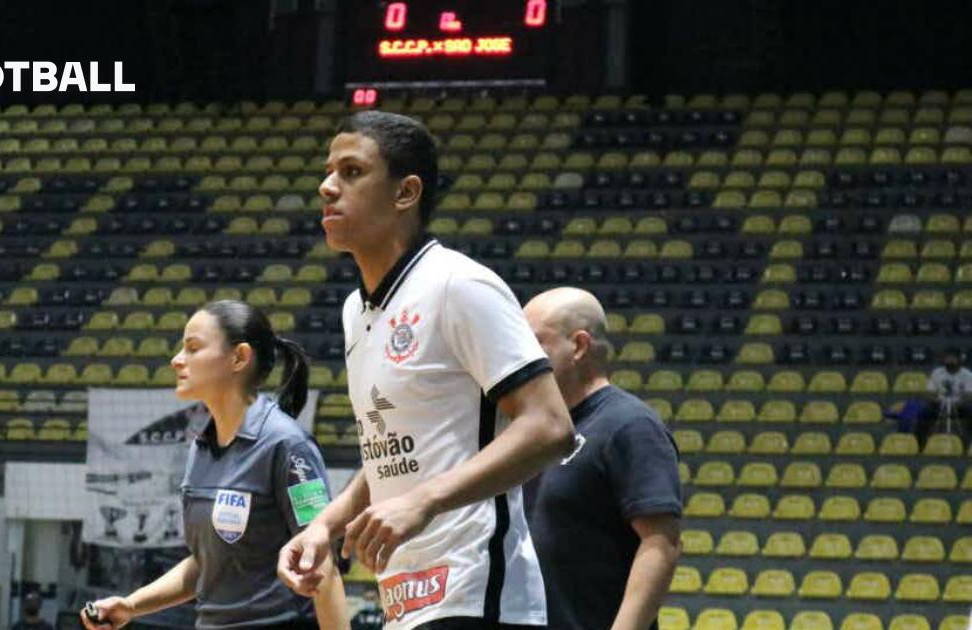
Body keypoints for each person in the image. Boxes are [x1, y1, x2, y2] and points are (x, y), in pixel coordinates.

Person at [278, 110, 576, 630]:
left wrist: (424, 500)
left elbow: (550, 426)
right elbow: (395, 453)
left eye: (351, 172)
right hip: (405, 596)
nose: (327, 187)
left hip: (476, 592)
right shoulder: (355, 311)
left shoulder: (458, 285)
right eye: (328, 172)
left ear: (405, 193)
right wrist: (326, 524)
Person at [82, 300, 348, 630]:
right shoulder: (200, 449)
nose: (177, 360)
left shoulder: (287, 445)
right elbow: (206, 564)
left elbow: (321, 563)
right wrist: (131, 605)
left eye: (192, 348)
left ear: (239, 358)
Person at [521, 287, 682, 630]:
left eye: (533, 343)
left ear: (579, 346)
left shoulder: (629, 424)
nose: (519, 358)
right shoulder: (533, 431)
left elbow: (661, 543)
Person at [915, 348, 972, 442]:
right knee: (924, 413)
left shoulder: (967, 375)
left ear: (959, 359)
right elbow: (928, 393)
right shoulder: (937, 373)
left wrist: (958, 403)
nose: (950, 361)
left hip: (960, 404)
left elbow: (969, 394)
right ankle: (920, 442)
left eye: (952, 358)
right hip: (939, 403)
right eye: (947, 358)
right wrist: (938, 401)